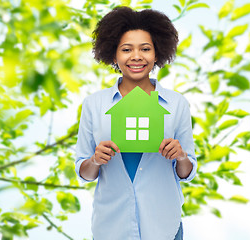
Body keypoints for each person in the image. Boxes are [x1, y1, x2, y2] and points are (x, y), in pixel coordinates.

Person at [75, 6, 197, 240]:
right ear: (113, 55)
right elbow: (85, 172)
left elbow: (187, 172)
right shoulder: (94, 104)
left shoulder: (176, 104)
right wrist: (95, 160)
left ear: (157, 53)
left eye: (145, 49)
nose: (137, 56)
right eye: (126, 49)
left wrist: (180, 156)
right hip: (111, 226)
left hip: (164, 226)